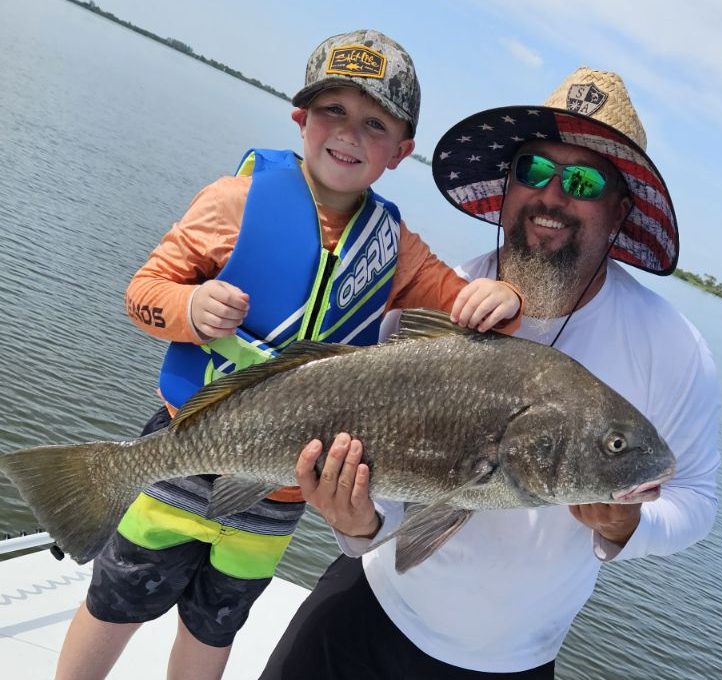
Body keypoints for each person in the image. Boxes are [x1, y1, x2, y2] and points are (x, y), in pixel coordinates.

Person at [53, 30, 523, 680]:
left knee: (217, 620)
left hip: (282, 486)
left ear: (400, 150)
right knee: (118, 600)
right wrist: (189, 310)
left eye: (374, 122)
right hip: (189, 441)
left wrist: (496, 296)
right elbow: (141, 294)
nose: (349, 134)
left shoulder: (397, 248)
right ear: (300, 116)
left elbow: (461, 308)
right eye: (333, 110)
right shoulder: (232, 202)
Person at [258, 67, 720, 679]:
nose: (551, 195)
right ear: (509, 186)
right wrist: (358, 522)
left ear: (619, 212)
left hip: (512, 661)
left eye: (581, 180)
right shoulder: (437, 298)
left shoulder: (674, 349)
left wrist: (631, 524)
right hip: (367, 606)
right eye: (533, 171)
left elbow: (695, 499)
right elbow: (387, 496)